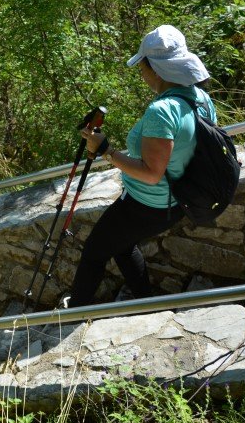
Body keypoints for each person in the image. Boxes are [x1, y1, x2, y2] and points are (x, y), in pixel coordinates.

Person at [67, 25, 217, 307]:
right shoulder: (200, 98)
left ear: (156, 70)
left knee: (94, 253)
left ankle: (73, 315)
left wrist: (104, 150)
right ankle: (145, 305)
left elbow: (151, 173)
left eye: (142, 67)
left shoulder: (162, 111)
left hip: (148, 205)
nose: (141, 73)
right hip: (178, 200)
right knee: (122, 247)